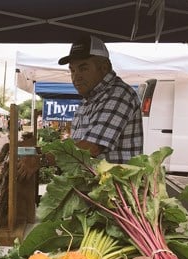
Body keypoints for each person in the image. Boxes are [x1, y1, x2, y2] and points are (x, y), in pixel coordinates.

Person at [58, 35, 142, 163]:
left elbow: (92, 148)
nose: (76, 77)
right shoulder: (88, 100)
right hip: (94, 181)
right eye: (73, 70)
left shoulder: (118, 94)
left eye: (83, 68)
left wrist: (43, 159)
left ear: (104, 67)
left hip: (115, 182)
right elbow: (78, 144)